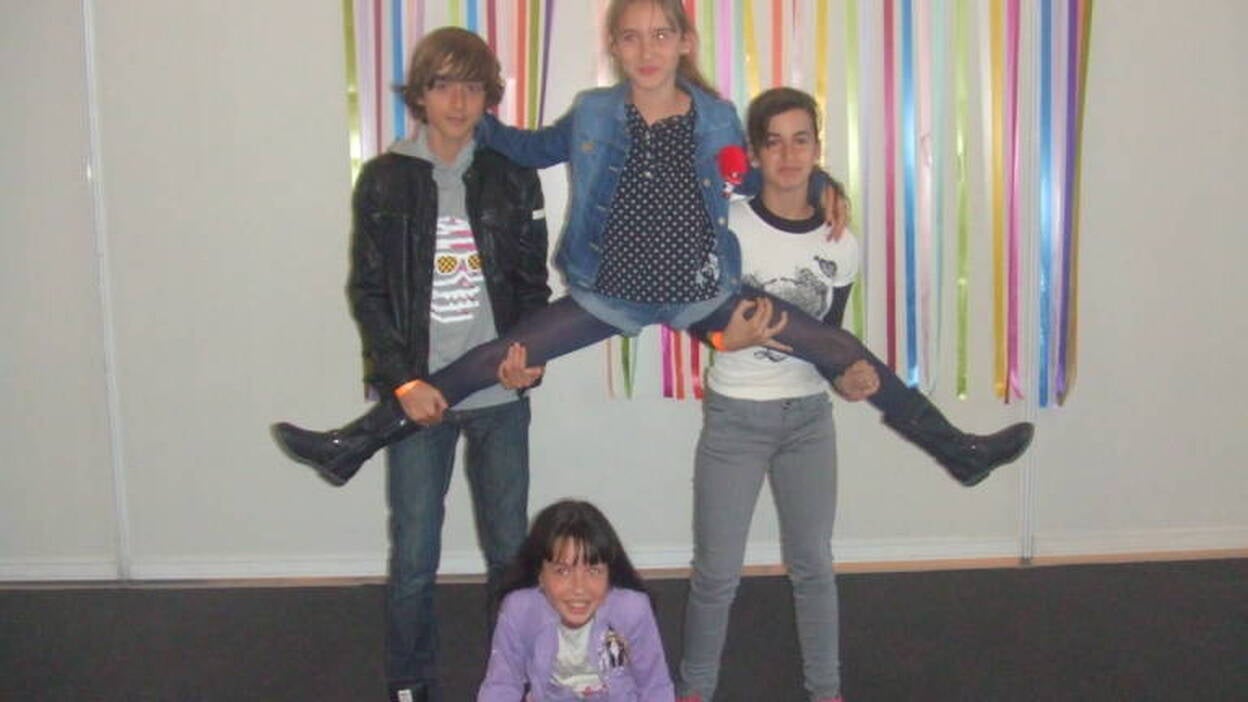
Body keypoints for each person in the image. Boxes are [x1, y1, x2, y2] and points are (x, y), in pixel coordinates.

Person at [272, 0, 1032, 496]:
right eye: (631, 36)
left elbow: (755, 171)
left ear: (683, 42)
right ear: (614, 46)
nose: (646, 49)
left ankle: (955, 450)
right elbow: (531, 149)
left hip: (703, 292)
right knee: (491, 358)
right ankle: (354, 444)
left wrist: (824, 179)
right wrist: (468, 114)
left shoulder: (717, 117)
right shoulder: (595, 112)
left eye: (660, 35)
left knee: (835, 345)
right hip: (608, 294)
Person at [272, 28, 552, 702]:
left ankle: (515, 679)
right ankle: (410, 684)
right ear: (420, 95)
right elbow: (368, 293)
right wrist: (402, 382)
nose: (458, 101)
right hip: (419, 399)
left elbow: (532, 287)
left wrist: (532, 361)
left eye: (472, 86)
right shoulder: (385, 177)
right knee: (415, 558)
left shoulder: (512, 175)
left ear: (489, 95)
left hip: (498, 397)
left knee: (509, 555)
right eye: (443, 85)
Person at [677, 87, 872, 702]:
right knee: (716, 575)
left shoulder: (841, 241)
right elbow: (692, 311)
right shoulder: (727, 223)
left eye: (801, 140)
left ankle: (827, 690)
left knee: (814, 567)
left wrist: (847, 378)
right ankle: (694, 690)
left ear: (817, 148)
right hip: (735, 418)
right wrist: (721, 338)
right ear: (756, 153)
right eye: (774, 142)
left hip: (808, 420)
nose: (789, 155)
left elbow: (828, 342)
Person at [478, 499, 675, 701]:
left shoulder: (632, 610)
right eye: (562, 571)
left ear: (609, 574)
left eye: (593, 571)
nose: (579, 588)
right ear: (540, 575)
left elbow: (655, 686)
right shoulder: (519, 610)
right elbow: (501, 684)